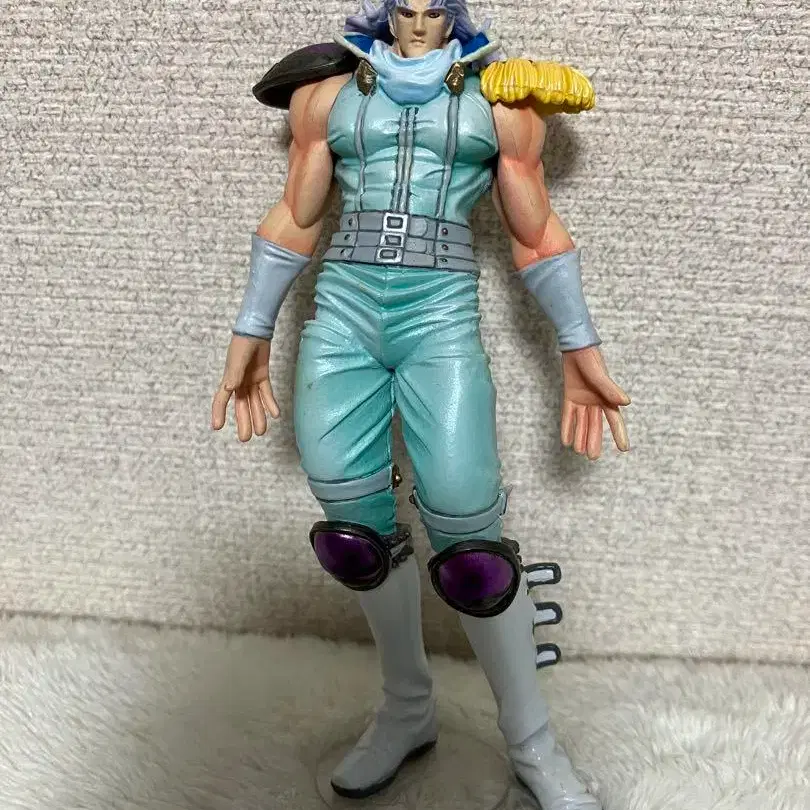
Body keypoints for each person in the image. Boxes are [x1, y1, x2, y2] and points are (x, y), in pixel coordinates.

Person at [211, 2, 631, 807]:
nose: (415, 21)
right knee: (352, 531)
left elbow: (535, 232)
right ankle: (408, 709)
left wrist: (579, 346)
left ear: (453, 15)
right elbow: (297, 214)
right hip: (344, 306)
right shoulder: (327, 96)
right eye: (403, 7)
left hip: (439, 310)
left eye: (432, 9)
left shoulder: (499, 104)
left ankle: (532, 744)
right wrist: (251, 329)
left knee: (472, 542)